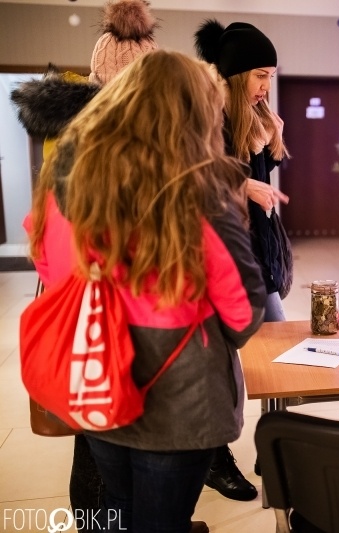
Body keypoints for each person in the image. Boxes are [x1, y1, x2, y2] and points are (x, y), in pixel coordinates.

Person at [27, 50, 266, 533]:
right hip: (178, 401)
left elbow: (48, 263)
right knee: (163, 519)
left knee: (116, 501)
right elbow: (243, 315)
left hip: (97, 382)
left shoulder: (63, 179)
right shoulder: (199, 191)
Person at [11, 1, 159, 529]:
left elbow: (39, 232)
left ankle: (102, 523)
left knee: (96, 433)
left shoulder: (72, 140)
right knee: (107, 437)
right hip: (108, 311)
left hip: (88, 308)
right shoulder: (111, 147)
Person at [195, 19, 292, 500]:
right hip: (218, 257)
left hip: (256, 253)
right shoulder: (207, 116)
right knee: (223, 369)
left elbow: (257, 184)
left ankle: (276, 448)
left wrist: (271, 143)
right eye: (259, 75)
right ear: (234, 76)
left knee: (278, 355)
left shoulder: (255, 119)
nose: (265, 86)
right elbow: (194, 180)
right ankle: (217, 457)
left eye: (271, 75)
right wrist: (243, 183)